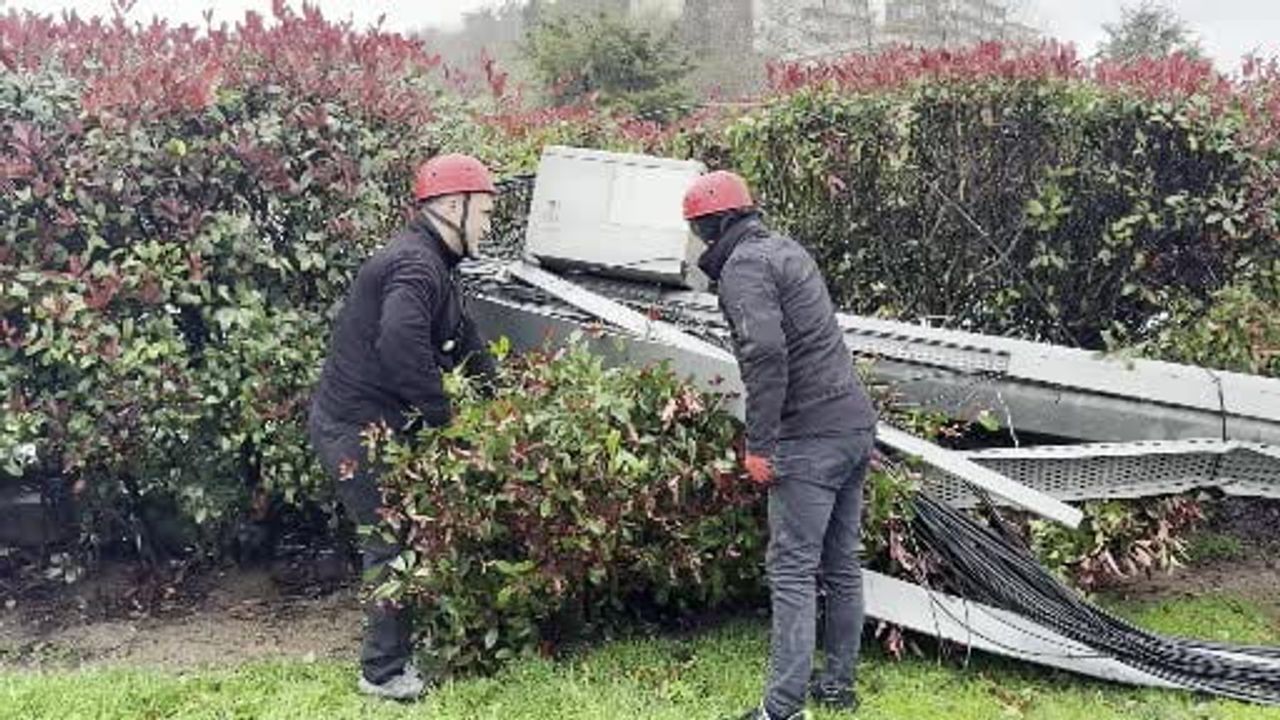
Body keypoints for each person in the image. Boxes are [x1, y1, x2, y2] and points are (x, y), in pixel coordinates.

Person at [683, 171, 879, 719]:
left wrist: (759, 443)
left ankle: (782, 709)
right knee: (840, 565)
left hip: (809, 438)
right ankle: (837, 688)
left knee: (792, 571)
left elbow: (766, 355)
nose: (698, 242)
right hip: (853, 427)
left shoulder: (744, 267)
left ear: (712, 226)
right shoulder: (785, 250)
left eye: (697, 231)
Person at [308, 153, 498, 701]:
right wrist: (444, 416)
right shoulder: (415, 265)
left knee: (406, 536)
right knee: (389, 542)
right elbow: (399, 343)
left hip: (376, 424)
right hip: (354, 431)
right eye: (482, 213)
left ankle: (402, 648)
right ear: (451, 207)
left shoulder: (435, 264)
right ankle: (383, 673)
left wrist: (495, 402)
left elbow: (463, 338)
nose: (487, 225)